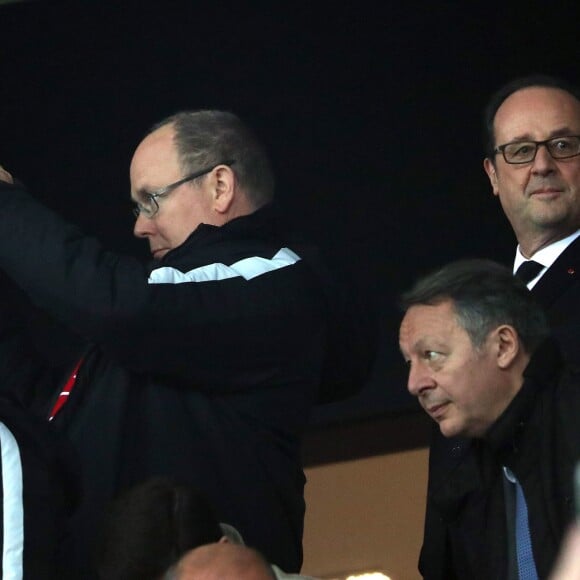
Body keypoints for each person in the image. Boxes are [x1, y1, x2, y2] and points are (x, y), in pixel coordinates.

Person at [0, 110, 374, 577]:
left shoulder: (273, 282)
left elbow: (119, 304)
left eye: (150, 200)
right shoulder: (158, 330)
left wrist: (5, 205)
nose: (140, 227)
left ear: (220, 186)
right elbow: (44, 421)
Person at [398, 259, 580, 579]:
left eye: (431, 355)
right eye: (409, 362)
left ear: (503, 346)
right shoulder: (461, 464)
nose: (414, 384)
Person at [483, 74, 580, 361]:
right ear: (493, 176)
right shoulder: (480, 297)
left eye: (563, 145)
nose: (542, 166)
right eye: (521, 150)